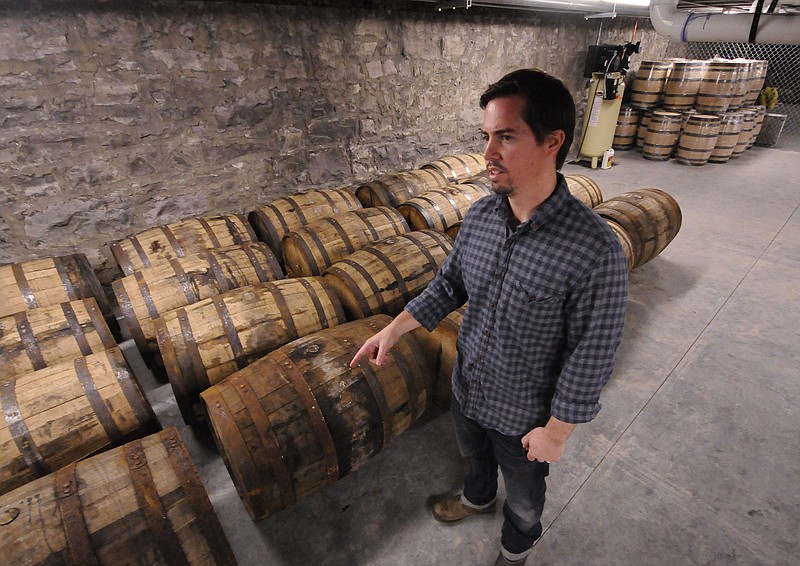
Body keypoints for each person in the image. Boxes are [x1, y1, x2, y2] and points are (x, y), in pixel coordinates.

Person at [350, 68, 629, 565]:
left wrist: (557, 432)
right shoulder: (480, 217)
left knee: (523, 496)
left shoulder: (594, 249)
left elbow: (592, 352)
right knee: (473, 459)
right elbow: (450, 285)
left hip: (525, 419)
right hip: (468, 388)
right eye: (486, 137)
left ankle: (516, 547)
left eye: (506, 137)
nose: (487, 155)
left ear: (552, 142)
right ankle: (477, 499)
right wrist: (393, 329)